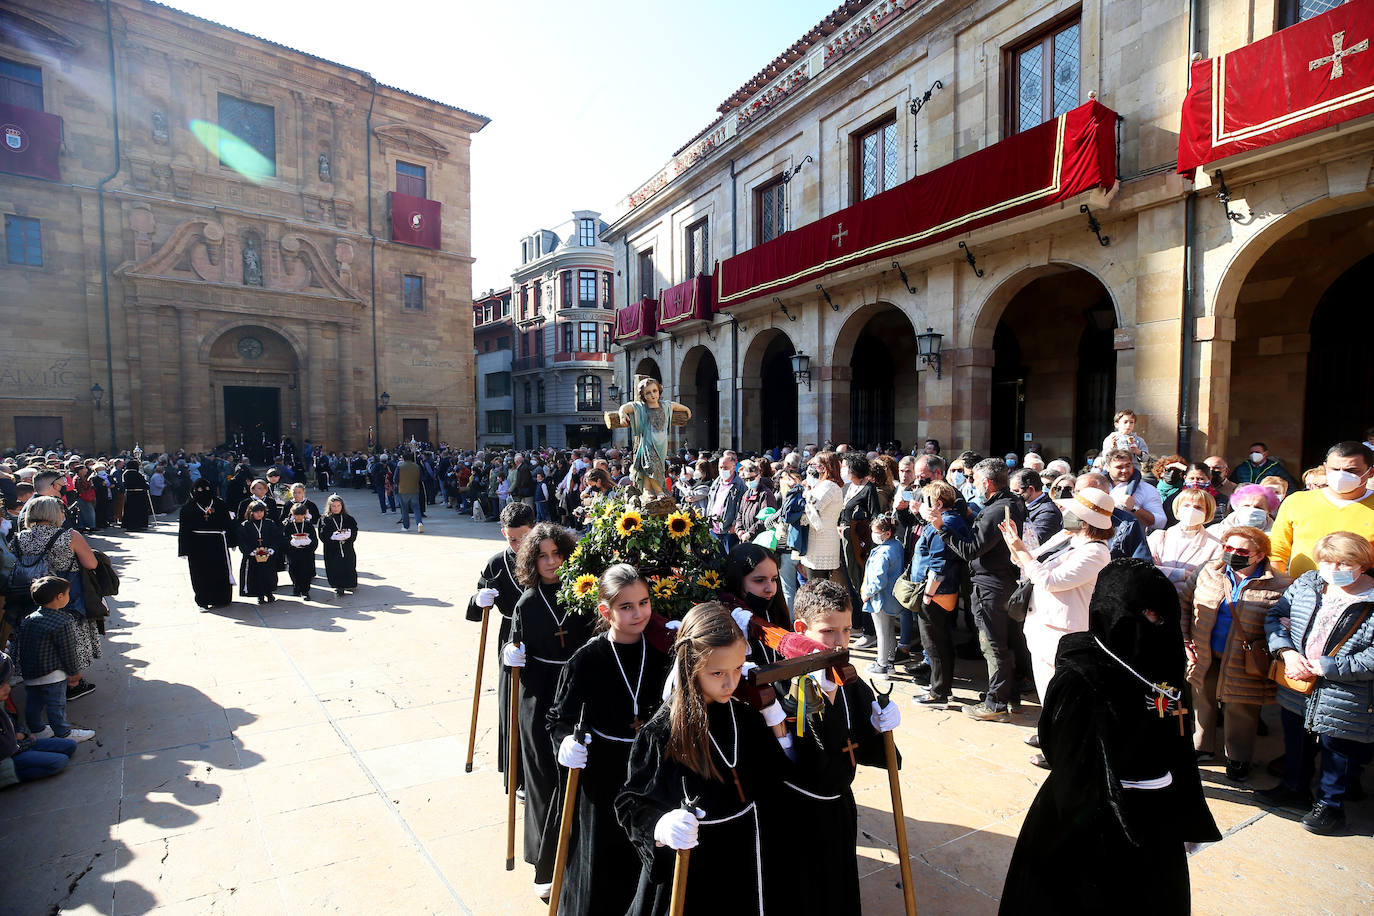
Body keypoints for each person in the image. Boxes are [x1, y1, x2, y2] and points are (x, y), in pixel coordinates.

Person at [999, 559, 1221, 914]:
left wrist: (1186, 813)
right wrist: (1122, 811)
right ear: (1113, 611)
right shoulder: (1081, 672)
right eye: (1148, 614)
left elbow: (1179, 745)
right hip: (1090, 819)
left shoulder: (1164, 662)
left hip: (1157, 818)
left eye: (1163, 615)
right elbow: (1067, 760)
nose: (1157, 624)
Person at [615, 602, 801, 916]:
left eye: (738, 669)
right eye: (717, 673)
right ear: (691, 666)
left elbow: (778, 781)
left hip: (749, 860)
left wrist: (785, 736)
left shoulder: (747, 718)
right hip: (699, 868)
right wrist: (660, 826)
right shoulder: (662, 732)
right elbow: (632, 803)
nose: (730, 683)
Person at [545, 565, 671, 916]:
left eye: (644, 603)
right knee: (602, 863)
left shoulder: (662, 652)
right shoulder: (587, 659)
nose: (638, 613)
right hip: (602, 776)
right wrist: (565, 743)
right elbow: (559, 717)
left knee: (642, 864)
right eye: (626, 607)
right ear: (606, 611)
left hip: (647, 774)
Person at [789, 577, 899, 913]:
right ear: (801, 629)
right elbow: (805, 755)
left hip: (840, 805)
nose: (840, 642)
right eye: (828, 632)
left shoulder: (847, 676)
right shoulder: (788, 682)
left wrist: (882, 724)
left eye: (847, 630)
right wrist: (826, 700)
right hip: (799, 812)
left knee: (841, 884)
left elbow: (865, 733)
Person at [1262, 531, 1374, 834]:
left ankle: (1331, 806)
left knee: (1336, 748)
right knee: (1295, 736)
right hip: (1298, 678)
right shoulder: (1308, 583)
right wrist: (1286, 653)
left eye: (1343, 562)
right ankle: (1294, 787)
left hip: (1346, 690)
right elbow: (1276, 616)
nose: (1333, 569)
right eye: (1327, 561)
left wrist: (1327, 666)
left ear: (1361, 563)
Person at [503, 522, 592, 898]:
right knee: (543, 782)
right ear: (532, 560)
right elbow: (515, 650)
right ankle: (545, 861)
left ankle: (573, 858)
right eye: (543, 556)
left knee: (574, 781)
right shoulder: (526, 601)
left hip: (574, 697)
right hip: (538, 697)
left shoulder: (580, 594)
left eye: (557, 554)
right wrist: (511, 657)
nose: (551, 562)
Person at [1000, 487, 1113, 763]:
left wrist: (1021, 552)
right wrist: (1014, 543)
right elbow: (1027, 561)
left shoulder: (1096, 552)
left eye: (1071, 510)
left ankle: (1063, 751)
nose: (1065, 514)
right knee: (1047, 688)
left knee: (1063, 693)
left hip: (1065, 631)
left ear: (1085, 520)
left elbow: (1051, 581)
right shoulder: (1068, 537)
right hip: (1043, 624)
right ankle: (1051, 733)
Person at [1180, 526, 1290, 781]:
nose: (1232, 554)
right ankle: (1202, 746)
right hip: (1205, 651)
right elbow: (1185, 604)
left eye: (1241, 551)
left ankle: (1238, 757)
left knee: (1242, 708)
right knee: (1202, 699)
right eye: (1228, 548)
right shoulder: (1208, 571)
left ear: (1260, 555)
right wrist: (1185, 640)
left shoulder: (1281, 584)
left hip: (1245, 658)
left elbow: (1283, 622)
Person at [936, 458, 1026, 721]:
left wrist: (943, 530)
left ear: (986, 482)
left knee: (993, 644)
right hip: (1003, 582)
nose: (970, 483)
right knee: (1006, 642)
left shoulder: (998, 510)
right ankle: (1008, 695)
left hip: (991, 584)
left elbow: (971, 549)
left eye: (973, 479)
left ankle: (995, 702)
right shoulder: (1010, 503)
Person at [467, 502, 534, 790]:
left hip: (549, 636)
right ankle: (516, 775)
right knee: (513, 704)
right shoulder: (497, 563)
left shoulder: (549, 556)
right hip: (512, 637)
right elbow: (476, 606)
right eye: (512, 539)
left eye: (525, 538)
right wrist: (478, 599)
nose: (519, 545)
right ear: (503, 533)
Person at [15, 497, 100, 701]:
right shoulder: (69, 536)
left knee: (40, 638)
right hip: (65, 596)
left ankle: (45, 681)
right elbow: (91, 564)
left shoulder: (20, 538)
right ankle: (73, 682)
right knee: (69, 638)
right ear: (54, 514)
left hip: (32, 595)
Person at [1270, 441, 1374, 578]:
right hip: (1301, 593)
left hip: (1364, 593)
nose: (1341, 475)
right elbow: (1277, 551)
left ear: (1370, 472)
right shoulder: (1297, 501)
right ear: (1325, 467)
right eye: (1335, 469)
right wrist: (1280, 585)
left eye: (1352, 471)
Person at [908, 480, 971, 704]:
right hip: (943, 590)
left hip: (937, 592)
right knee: (940, 641)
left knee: (934, 644)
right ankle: (943, 688)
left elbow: (939, 563)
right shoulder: (949, 519)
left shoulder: (944, 523)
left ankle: (938, 692)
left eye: (928, 500)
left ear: (939, 503)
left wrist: (928, 593)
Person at [16, 577, 96, 742]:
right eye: (67, 594)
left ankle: (37, 729)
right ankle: (64, 733)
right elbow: (67, 651)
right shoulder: (62, 621)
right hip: (53, 673)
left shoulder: (29, 619)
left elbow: (19, 646)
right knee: (56, 705)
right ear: (59, 597)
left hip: (31, 672)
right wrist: (73, 672)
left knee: (34, 703)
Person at [1, 650, 79, 787]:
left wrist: (23, 734)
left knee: (70, 745)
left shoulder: (3, 703)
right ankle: (10, 775)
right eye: (1, 685)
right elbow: (6, 748)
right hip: (8, 757)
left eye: (6, 683)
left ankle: (32, 754)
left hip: (20, 742)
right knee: (59, 762)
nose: (7, 688)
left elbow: (15, 720)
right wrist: (27, 740)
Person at [1148, 488, 1224, 594]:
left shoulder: (1216, 546)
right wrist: (1182, 574)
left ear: (1207, 513)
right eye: (1186, 505)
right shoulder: (1158, 536)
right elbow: (1146, 569)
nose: (1191, 510)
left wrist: (1163, 570)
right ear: (1178, 508)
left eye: (1198, 507)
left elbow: (1209, 580)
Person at [177, 478, 237, 609]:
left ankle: (222, 598)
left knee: (220, 571)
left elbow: (228, 524)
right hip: (197, 545)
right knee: (200, 572)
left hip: (218, 543)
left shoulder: (220, 504)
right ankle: (203, 599)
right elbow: (184, 530)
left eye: (206, 489)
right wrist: (183, 549)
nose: (204, 492)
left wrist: (232, 541)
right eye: (199, 490)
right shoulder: (188, 508)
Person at [860, 516, 905, 675]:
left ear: (887, 533)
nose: (873, 535)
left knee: (882, 632)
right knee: (889, 630)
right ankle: (890, 662)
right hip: (892, 599)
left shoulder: (883, 552)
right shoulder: (896, 545)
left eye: (876, 532)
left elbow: (879, 580)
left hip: (880, 599)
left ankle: (882, 664)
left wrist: (867, 593)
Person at [800, 451, 844, 582]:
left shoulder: (828, 485)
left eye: (815, 464)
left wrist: (805, 492)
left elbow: (814, 506)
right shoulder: (826, 484)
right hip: (821, 538)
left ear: (824, 467)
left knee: (817, 583)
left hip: (821, 541)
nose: (812, 467)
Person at [1104, 448, 1165, 532]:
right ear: (1107, 467)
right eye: (1119, 467)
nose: (1125, 470)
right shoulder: (1096, 486)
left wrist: (1134, 508)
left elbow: (1161, 522)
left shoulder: (1147, 489)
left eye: (1128, 465)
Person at [237, 500, 284, 605]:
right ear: (251, 512)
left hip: (267, 556)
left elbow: (276, 537)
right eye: (256, 512)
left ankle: (269, 593)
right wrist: (250, 552)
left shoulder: (269, 523)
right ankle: (260, 595)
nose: (259, 514)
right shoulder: (245, 525)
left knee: (269, 575)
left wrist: (272, 549)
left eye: (261, 511)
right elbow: (242, 541)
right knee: (256, 576)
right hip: (253, 558)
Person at [1011, 467, 1061, 549]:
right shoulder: (1021, 505)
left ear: (1031, 489)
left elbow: (1033, 542)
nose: (1013, 495)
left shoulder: (1048, 512)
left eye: (1016, 491)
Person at [705, 452, 745, 552]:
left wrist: (735, 524)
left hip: (728, 530)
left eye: (726, 467)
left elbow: (741, 506)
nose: (723, 470)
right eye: (720, 467)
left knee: (729, 559)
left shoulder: (740, 485)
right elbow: (710, 501)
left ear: (733, 467)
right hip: (713, 529)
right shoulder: (716, 482)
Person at [319, 495, 358, 596]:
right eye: (333, 506)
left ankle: (350, 583)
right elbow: (322, 534)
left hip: (346, 547)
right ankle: (338, 586)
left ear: (342, 506)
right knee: (335, 567)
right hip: (332, 549)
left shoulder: (348, 518)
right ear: (329, 507)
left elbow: (354, 530)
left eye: (338, 506)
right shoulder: (325, 519)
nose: (336, 508)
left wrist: (348, 535)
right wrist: (332, 537)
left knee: (348, 564)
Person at [1208, 483, 1277, 537]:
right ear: (1236, 506)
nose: (1251, 510)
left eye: (1258, 507)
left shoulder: (1277, 538)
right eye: (1246, 506)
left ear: (1268, 511)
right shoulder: (1214, 532)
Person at [283, 503, 319, 600]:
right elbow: (284, 538)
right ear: (292, 514)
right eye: (296, 515)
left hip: (306, 553)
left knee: (306, 572)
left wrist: (310, 545)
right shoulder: (288, 526)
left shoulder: (308, 525)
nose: (298, 517)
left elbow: (314, 539)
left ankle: (305, 590)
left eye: (301, 515)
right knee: (294, 571)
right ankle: (296, 587)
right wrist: (290, 545)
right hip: (293, 553)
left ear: (304, 514)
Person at [1232, 441, 1296, 490]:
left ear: (1265, 453)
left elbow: (1289, 486)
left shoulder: (1276, 469)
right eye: (1252, 453)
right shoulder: (1241, 468)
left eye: (1257, 452)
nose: (1254, 454)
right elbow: (1232, 484)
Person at [394, 452, 424, 533]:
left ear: (403, 458)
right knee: (416, 508)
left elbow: (395, 479)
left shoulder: (400, 467)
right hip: (414, 489)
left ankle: (406, 526)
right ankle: (419, 523)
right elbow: (421, 478)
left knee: (404, 509)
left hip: (403, 490)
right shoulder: (417, 467)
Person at [122, 461, 151, 531]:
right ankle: (138, 525)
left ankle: (129, 525)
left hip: (129, 494)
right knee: (138, 510)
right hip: (138, 494)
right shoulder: (137, 474)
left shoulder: (125, 474)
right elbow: (143, 484)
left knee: (130, 511)